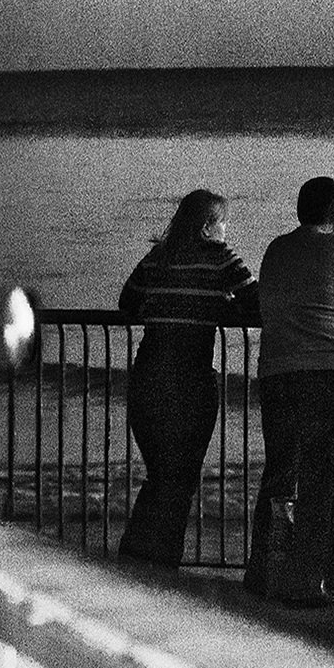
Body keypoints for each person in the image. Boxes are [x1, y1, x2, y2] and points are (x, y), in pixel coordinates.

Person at [247, 175, 334, 606]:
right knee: (322, 477)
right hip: (326, 370)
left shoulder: (276, 249)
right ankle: (309, 579)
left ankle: (264, 573)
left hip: (276, 370)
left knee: (281, 471)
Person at [115, 190, 256, 567]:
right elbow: (256, 302)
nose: (227, 229)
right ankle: (158, 562)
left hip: (148, 373)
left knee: (161, 473)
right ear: (209, 227)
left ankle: (138, 556)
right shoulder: (220, 259)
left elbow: (127, 301)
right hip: (190, 377)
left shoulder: (157, 256)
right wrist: (221, 304)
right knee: (179, 478)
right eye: (223, 222)